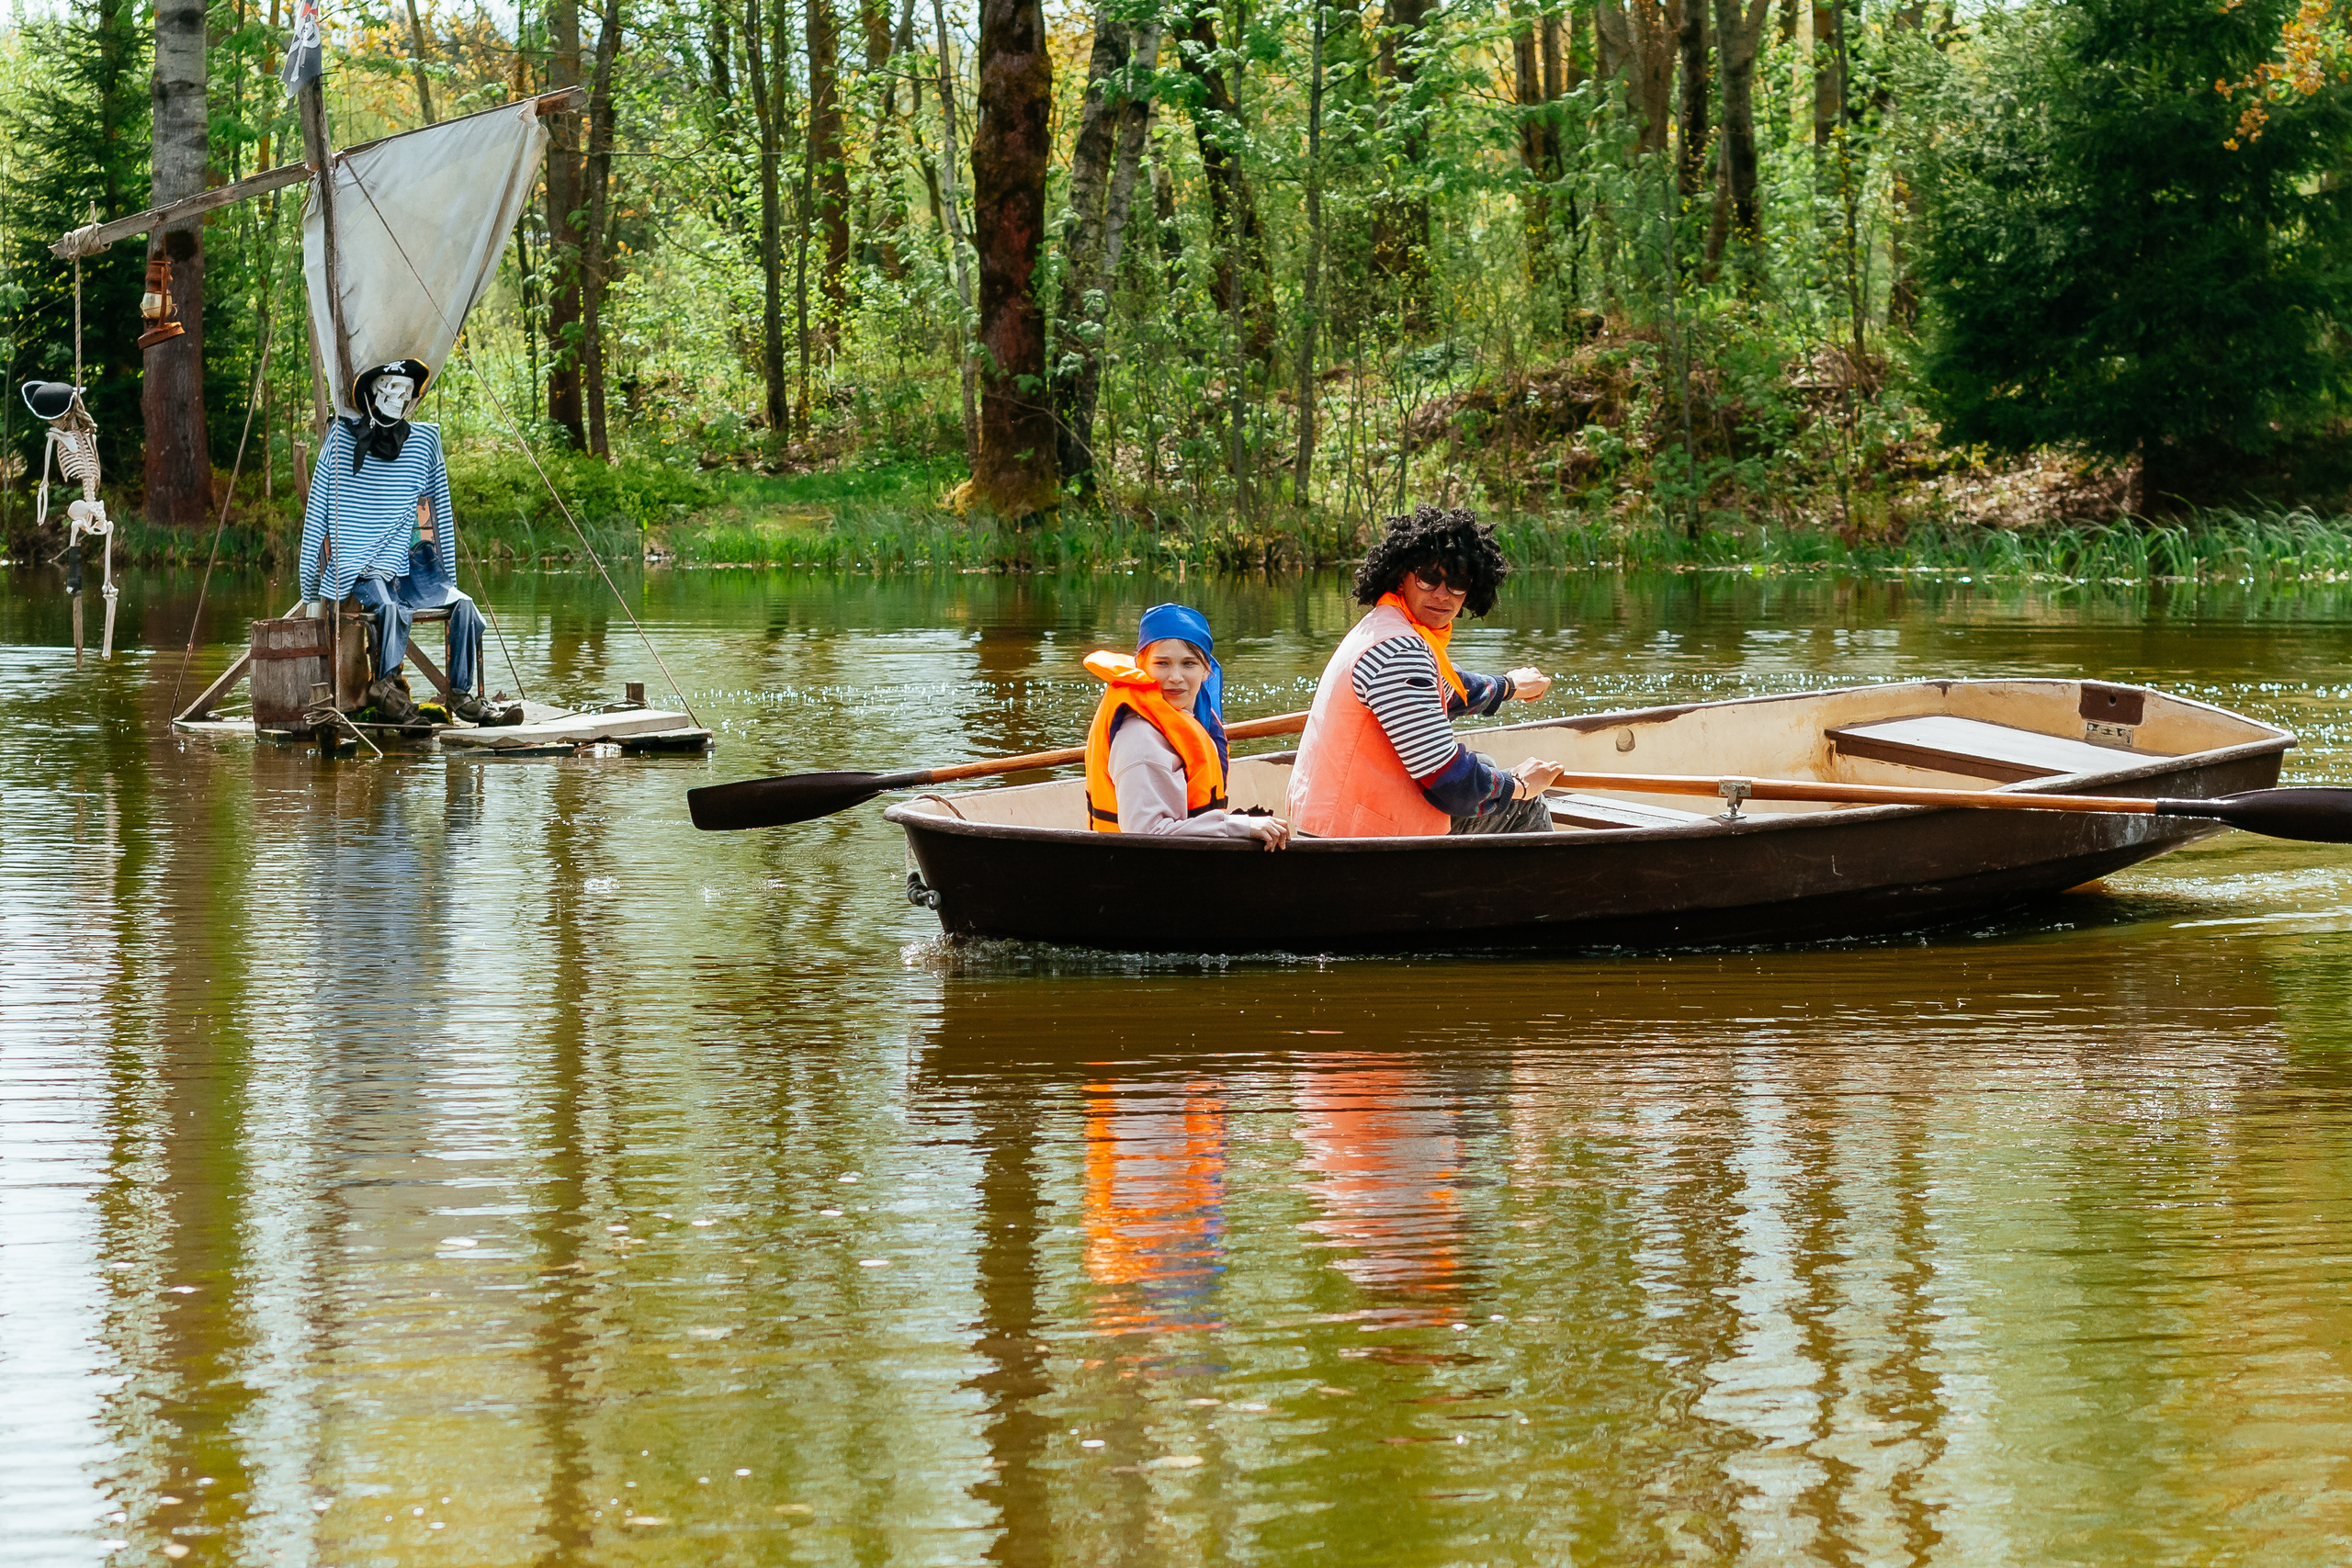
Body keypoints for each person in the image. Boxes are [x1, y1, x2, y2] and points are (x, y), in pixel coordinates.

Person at [1287, 503, 1559, 838]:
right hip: (1362, 843)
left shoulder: (1383, 625)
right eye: (1429, 577)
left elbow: (1449, 689)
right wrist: (1517, 784)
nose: (1442, 595)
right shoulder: (1400, 651)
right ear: (1402, 574)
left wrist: (1508, 686)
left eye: (1458, 582)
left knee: (1484, 766)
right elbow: (1446, 778)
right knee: (1523, 804)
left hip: (1333, 825)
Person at [299, 358, 509, 726]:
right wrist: (310, 591)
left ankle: (461, 695)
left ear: (413, 396)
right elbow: (318, 510)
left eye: (404, 389)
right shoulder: (342, 438)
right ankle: (386, 690)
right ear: (371, 392)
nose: (396, 395)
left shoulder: (424, 441)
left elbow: (437, 510)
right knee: (389, 607)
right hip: (358, 564)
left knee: (466, 608)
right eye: (388, 386)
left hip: (410, 563)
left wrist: (448, 578)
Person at [1081, 603, 1292, 849]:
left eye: (1189, 663)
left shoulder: (1188, 716)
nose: (1175, 677)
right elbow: (1145, 838)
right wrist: (1239, 826)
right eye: (1162, 663)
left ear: (1206, 670)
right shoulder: (1139, 740)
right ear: (1141, 665)